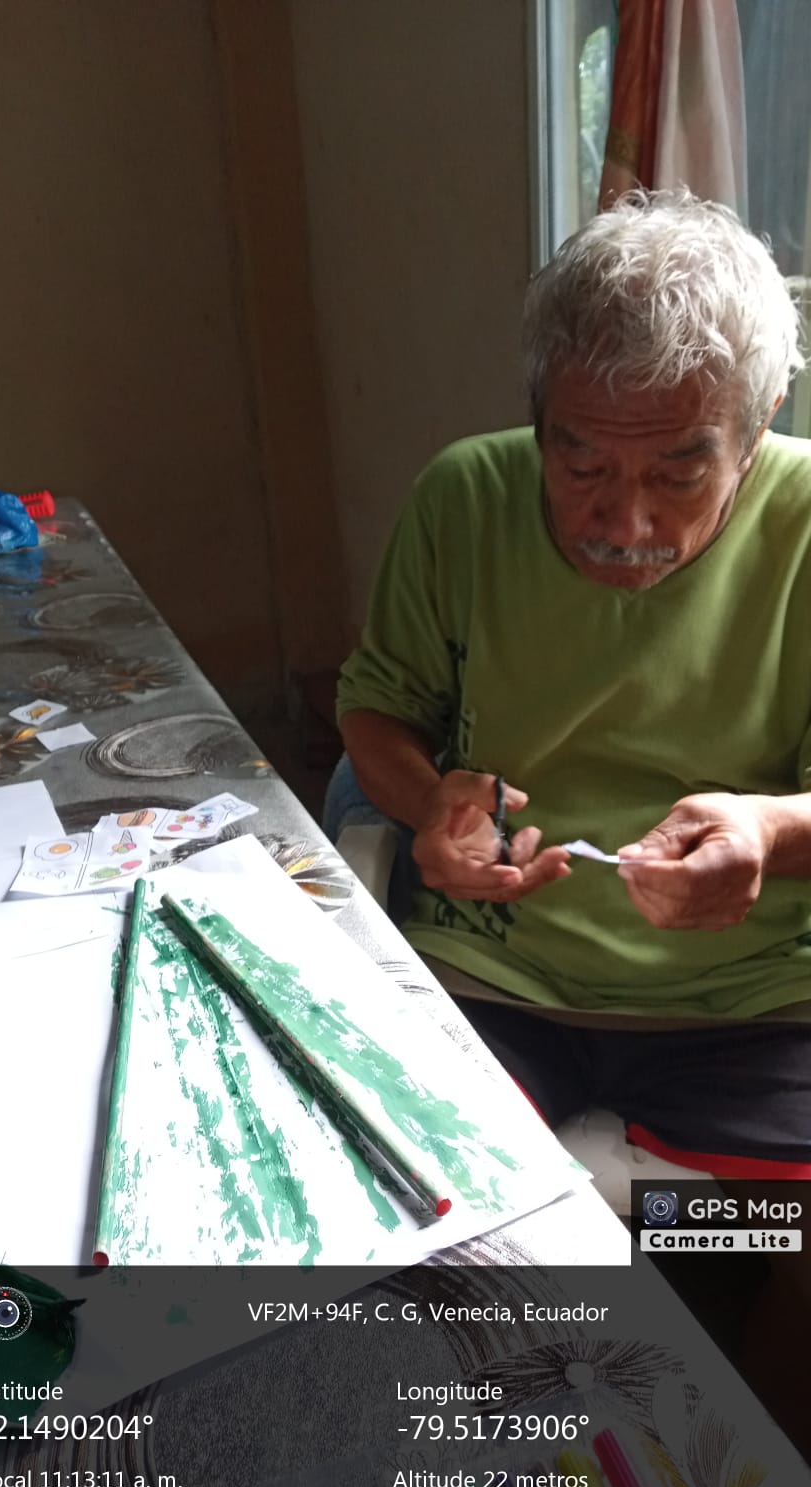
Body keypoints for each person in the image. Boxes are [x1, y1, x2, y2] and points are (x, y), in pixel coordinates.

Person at [333, 188, 811, 1175]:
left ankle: (668, 1246)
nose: (623, 525)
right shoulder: (464, 497)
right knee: (398, 1190)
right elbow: (377, 706)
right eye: (580, 463)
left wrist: (769, 832)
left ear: (759, 423)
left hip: (755, 999)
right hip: (493, 974)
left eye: (679, 474)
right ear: (540, 415)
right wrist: (431, 806)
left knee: (751, 1233)